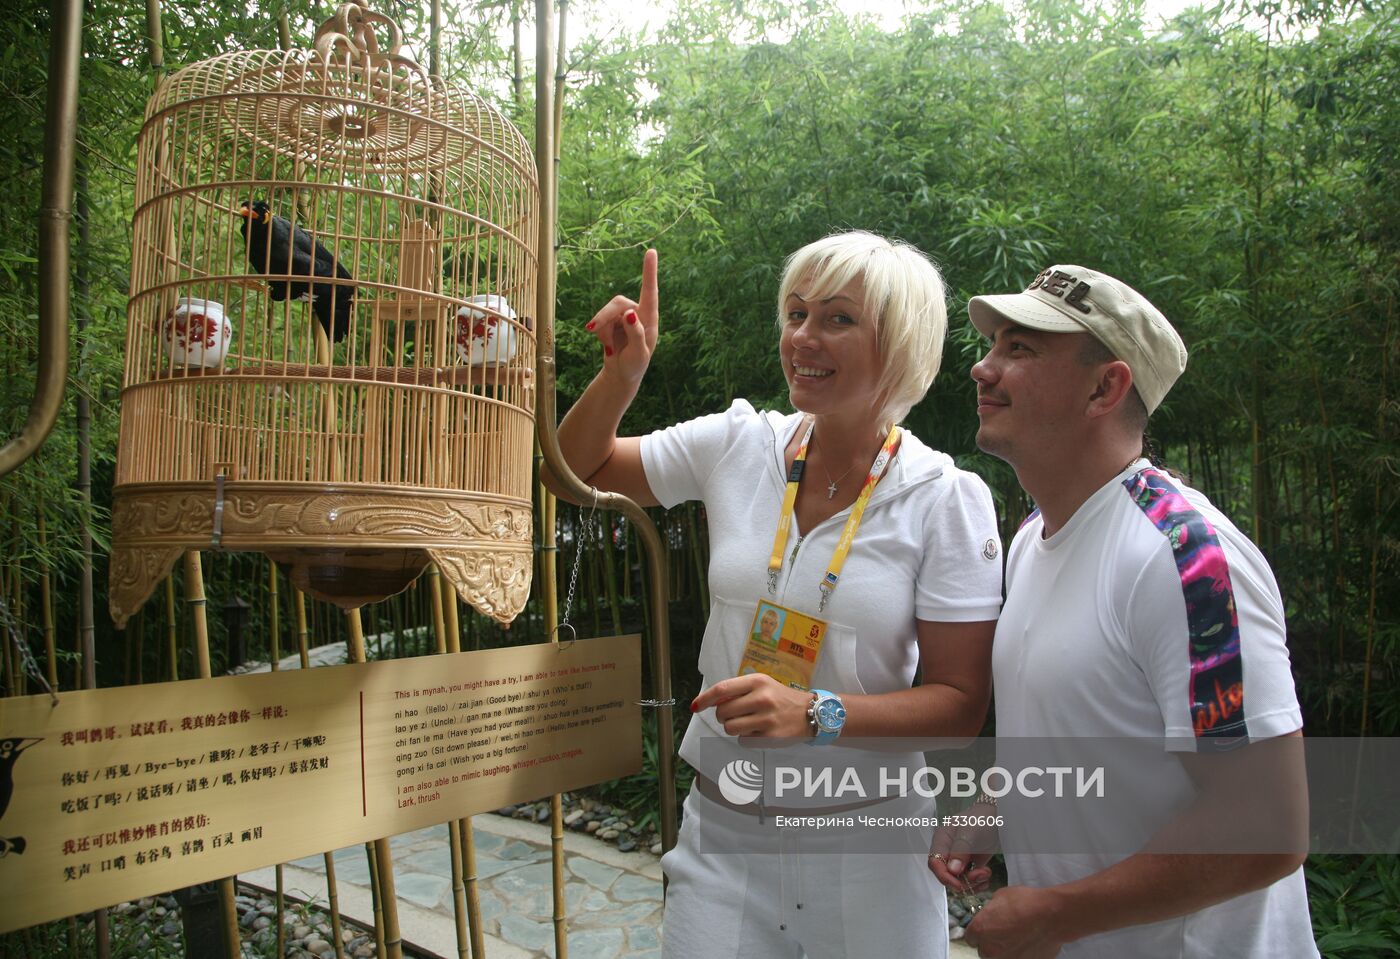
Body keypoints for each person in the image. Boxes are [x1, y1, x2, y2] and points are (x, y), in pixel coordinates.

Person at [550, 233, 1003, 958]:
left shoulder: (944, 498)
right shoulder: (738, 442)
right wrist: (622, 376)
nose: (802, 336)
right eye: (795, 313)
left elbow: (959, 706)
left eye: (837, 318)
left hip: (869, 852)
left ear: (900, 341)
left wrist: (816, 713)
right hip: (724, 840)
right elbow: (575, 469)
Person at [929, 265, 1316, 958]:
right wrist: (997, 803)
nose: (982, 368)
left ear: (1105, 387)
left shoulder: (1185, 561)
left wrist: (1053, 914)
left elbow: (1267, 826)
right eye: (993, 345)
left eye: (1019, 349)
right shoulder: (1030, 542)